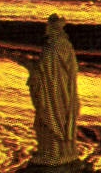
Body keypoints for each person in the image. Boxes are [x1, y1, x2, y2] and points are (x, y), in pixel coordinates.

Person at [27, 14, 80, 165]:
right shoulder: (66, 45)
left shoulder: (52, 48)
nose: (46, 29)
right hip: (65, 94)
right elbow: (72, 68)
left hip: (52, 95)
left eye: (49, 26)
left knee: (48, 121)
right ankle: (59, 152)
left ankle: (52, 153)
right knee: (59, 121)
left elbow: (46, 72)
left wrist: (30, 67)